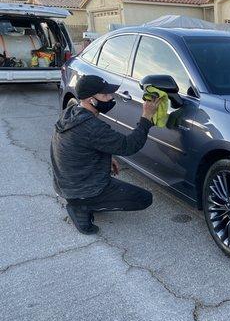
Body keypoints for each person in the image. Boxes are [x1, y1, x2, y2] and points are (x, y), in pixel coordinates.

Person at [50, 75, 162, 235]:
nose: (111, 97)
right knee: (144, 199)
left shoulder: (70, 113)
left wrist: (107, 156)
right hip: (82, 190)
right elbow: (129, 146)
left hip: (65, 185)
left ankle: (81, 201)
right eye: (105, 95)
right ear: (90, 100)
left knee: (111, 179)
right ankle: (82, 207)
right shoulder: (92, 126)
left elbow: (82, 146)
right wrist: (146, 117)